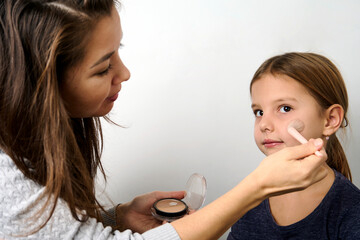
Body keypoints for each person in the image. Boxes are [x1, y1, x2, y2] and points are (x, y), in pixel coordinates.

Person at [0, 1, 328, 239]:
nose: (125, 73)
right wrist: (256, 188)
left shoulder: (345, 208)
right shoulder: (7, 179)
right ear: (42, 85)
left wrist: (116, 219)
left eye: (284, 108)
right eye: (103, 68)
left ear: (332, 119)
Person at [227, 52, 360, 240]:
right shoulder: (249, 197)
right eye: (259, 112)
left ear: (330, 120)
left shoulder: (351, 210)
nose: (264, 124)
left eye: (285, 108)